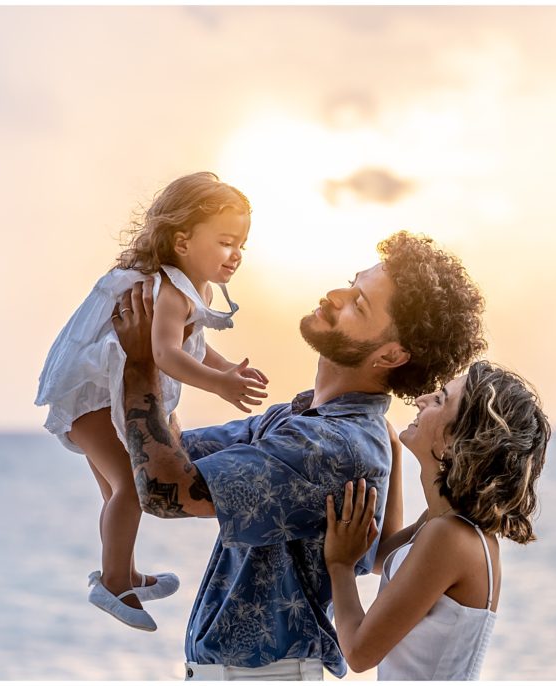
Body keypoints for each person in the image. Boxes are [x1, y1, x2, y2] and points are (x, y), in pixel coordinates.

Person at [110, 231, 486, 679]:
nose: (335, 295)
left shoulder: (332, 447)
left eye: (358, 304)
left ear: (390, 354)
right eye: (352, 283)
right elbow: (162, 455)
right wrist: (174, 346)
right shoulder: (305, 422)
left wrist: (143, 363)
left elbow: (162, 489)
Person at [34, 172, 268, 631]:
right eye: (225, 241)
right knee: (129, 488)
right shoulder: (169, 290)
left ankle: (125, 569)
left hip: (103, 397)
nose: (236, 253)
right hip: (93, 400)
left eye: (242, 243)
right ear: (182, 241)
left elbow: (191, 345)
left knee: (114, 493)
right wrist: (220, 386)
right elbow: (165, 354)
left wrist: (225, 370)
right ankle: (114, 581)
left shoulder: (188, 289)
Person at [324, 360, 551, 680]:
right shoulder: (446, 524)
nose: (421, 399)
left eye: (440, 399)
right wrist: (393, 453)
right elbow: (380, 556)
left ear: (454, 445)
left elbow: (359, 653)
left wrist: (339, 567)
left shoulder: (449, 536)